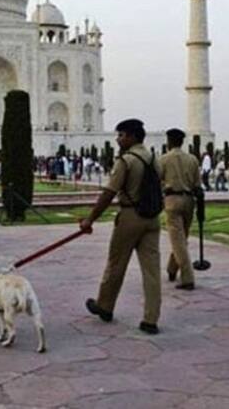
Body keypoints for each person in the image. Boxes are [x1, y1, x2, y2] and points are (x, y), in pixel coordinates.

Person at [80, 119, 162, 335]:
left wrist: (90, 219)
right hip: (152, 218)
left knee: (116, 264)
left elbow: (109, 193)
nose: (118, 139)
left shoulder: (127, 160)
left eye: (121, 135)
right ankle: (150, 319)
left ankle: (105, 306)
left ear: (133, 137)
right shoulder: (154, 159)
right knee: (152, 272)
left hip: (130, 217)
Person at [159, 128, 201, 290]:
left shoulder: (164, 159)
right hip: (189, 200)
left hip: (171, 200)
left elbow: (156, 181)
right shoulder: (192, 159)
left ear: (169, 141)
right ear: (182, 142)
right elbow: (198, 185)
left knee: (178, 241)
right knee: (181, 239)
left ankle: (187, 277)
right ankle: (172, 268)